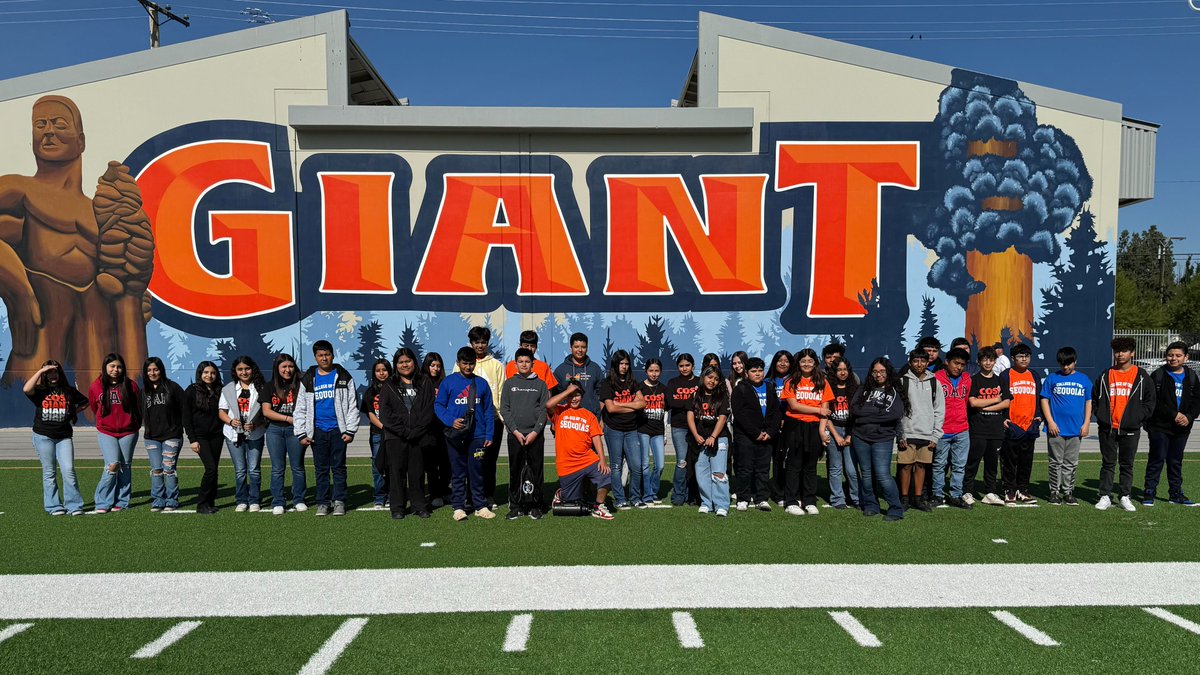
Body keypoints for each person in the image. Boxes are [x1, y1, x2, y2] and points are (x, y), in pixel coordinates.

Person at [294, 340, 359, 517]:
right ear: (315, 357)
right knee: (321, 468)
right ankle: (323, 502)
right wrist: (301, 432)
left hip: (339, 430)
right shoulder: (308, 378)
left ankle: (339, 502)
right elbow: (300, 407)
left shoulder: (344, 376)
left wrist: (350, 430)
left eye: (327, 354)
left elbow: (352, 405)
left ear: (333, 354)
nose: (324, 358)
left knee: (338, 468)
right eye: (320, 355)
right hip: (317, 431)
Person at [1092, 337, 1155, 512]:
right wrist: (1101, 416)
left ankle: (1125, 496)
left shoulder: (1141, 376)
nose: (1120, 354)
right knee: (1108, 463)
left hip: (1131, 428)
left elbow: (1150, 401)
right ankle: (1105, 495)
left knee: (1127, 464)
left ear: (1132, 353)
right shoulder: (1106, 374)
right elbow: (1095, 397)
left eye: (1124, 351)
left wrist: (1138, 417)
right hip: (1108, 427)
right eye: (1117, 351)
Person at [436, 347, 496, 521]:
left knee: (477, 471)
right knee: (458, 472)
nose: (468, 367)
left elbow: (488, 411)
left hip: (477, 435)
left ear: (475, 363)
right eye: (465, 363)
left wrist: (489, 435)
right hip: (455, 435)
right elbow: (439, 406)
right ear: (458, 363)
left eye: (471, 363)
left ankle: (480, 505)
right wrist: (450, 420)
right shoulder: (448, 382)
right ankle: (458, 507)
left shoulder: (482, 383)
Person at [25, 359, 88, 516]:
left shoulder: (68, 391)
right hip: (43, 436)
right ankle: (54, 506)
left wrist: (73, 412)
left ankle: (74, 506)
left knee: (68, 470)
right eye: (49, 372)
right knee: (49, 472)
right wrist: (41, 371)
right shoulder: (40, 390)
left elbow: (85, 402)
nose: (53, 375)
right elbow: (26, 389)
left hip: (64, 437)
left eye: (56, 371)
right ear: (45, 375)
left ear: (60, 373)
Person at [378, 347, 434, 520]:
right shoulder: (389, 385)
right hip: (396, 437)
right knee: (396, 473)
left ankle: (419, 505)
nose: (404, 365)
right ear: (396, 365)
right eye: (401, 362)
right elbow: (385, 413)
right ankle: (397, 507)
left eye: (407, 361)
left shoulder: (424, 382)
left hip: (418, 437)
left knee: (417, 472)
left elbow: (429, 409)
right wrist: (403, 431)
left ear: (414, 362)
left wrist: (416, 431)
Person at [1143, 341, 1200, 506]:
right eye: (1170, 355)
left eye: (1178, 355)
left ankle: (1175, 494)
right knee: (1157, 458)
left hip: (1182, 427)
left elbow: (1197, 400)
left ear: (1186, 357)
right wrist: (1174, 414)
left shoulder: (1192, 376)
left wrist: (1189, 417)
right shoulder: (1158, 375)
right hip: (1160, 426)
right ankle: (1149, 493)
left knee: (1176, 460)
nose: (1173, 358)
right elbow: (1154, 401)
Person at [850, 358, 908, 521]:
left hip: (883, 438)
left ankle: (896, 509)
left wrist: (867, 416)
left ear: (888, 372)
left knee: (883, 475)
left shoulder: (895, 391)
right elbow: (854, 410)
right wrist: (877, 415)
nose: (878, 374)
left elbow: (894, 414)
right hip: (860, 436)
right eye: (875, 371)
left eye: (882, 371)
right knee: (866, 474)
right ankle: (871, 505)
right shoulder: (863, 389)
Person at [546, 383, 614, 520]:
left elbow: (596, 439)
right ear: (566, 397)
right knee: (572, 501)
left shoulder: (589, 415)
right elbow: (548, 405)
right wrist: (568, 391)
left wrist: (602, 460)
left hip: (587, 459)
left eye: (576, 395)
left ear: (582, 396)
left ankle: (598, 507)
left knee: (607, 476)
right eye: (571, 396)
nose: (574, 399)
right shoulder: (559, 411)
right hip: (567, 465)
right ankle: (561, 494)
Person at [457, 325, 506, 509]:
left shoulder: (496, 365)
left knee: (489, 461)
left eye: (483, 342)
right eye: (476, 342)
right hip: (468, 422)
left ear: (487, 343)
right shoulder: (461, 363)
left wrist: (500, 418)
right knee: (470, 459)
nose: (480, 345)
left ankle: (489, 495)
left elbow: (500, 392)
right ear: (471, 343)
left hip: (491, 421)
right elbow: (456, 390)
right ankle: (470, 496)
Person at [780, 348, 833, 516]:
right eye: (803, 361)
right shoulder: (791, 381)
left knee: (810, 466)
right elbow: (794, 406)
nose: (806, 364)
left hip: (814, 427)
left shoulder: (822, 381)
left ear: (815, 363)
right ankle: (792, 501)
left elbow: (826, 409)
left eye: (810, 361)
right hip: (795, 426)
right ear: (798, 363)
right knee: (794, 465)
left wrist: (822, 431)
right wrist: (817, 410)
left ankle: (809, 500)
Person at [87, 353, 141, 514]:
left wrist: (133, 424)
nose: (115, 369)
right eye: (112, 366)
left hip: (128, 432)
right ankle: (102, 501)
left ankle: (122, 501)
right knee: (112, 464)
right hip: (107, 432)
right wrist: (105, 422)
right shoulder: (96, 386)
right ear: (105, 367)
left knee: (125, 466)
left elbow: (137, 407)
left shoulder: (131, 385)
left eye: (119, 367)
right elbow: (94, 406)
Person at [500, 348, 549, 519]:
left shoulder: (541, 384)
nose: (524, 364)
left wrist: (535, 432)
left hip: (535, 436)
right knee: (515, 469)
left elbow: (544, 411)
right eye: (520, 361)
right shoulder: (509, 384)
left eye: (527, 362)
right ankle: (516, 505)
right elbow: (504, 410)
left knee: (536, 470)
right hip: (516, 436)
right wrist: (515, 431)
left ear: (532, 364)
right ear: (515, 364)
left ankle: (536, 505)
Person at [1040, 346, 1092, 506]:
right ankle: (1054, 492)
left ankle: (1068, 492)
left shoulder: (1084, 380)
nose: (1065, 367)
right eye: (1062, 364)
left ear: (1075, 361)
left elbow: (1088, 401)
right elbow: (1044, 400)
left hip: (1076, 429)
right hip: (1056, 429)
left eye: (1068, 363)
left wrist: (1086, 423)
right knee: (1055, 462)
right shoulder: (1052, 379)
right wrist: (1050, 421)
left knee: (1070, 462)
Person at [731, 357, 781, 511]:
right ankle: (743, 498)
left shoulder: (769, 387)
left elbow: (776, 412)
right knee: (745, 468)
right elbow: (739, 414)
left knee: (763, 469)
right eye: (753, 371)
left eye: (760, 370)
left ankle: (761, 498)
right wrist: (755, 433)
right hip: (746, 436)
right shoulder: (741, 388)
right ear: (746, 373)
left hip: (766, 436)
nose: (758, 374)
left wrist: (770, 432)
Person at [599, 349, 647, 508]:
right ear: (615, 364)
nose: (624, 367)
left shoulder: (633, 382)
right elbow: (610, 409)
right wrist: (632, 406)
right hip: (614, 429)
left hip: (631, 429)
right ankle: (620, 499)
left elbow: (643, 403)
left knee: (636, 465)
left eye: (627, 364)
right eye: (621, 363)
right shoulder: (607, 383)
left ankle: (635, 497)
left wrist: (621, 404)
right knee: (616, 466)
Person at [220, 355, 267, 513]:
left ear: (252, 369)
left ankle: (254, 500)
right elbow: (222, 412)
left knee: (254, 469)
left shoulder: (261, 388)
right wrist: (230, 421)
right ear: (235, 371)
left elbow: (266, 413)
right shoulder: (228, 389)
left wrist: (256, 424)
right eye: (240, 369)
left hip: (255, 434)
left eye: (247, 368)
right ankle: (241, 499)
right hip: (233, 434)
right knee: (240, 470)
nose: (244, 372)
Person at [965, 347, 1011, 506]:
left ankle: (990, 492)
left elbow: (1006, 402)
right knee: (972, 462)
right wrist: (995, 400)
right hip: (977, 428)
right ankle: (967, 491)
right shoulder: (974, 380)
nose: (988, 363)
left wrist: (986, 407)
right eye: (984, 359)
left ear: (995, 361)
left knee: (992, 464)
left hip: (996, 429)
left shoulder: (1000, 380)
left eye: (991, 360)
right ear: (979, 361)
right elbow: (973, 402)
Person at [899, 349, 943, 512]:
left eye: (923, 361)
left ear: (928, 363)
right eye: (916, 361)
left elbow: (939, 409)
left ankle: (918, 499)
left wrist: (936, 434)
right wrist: (900, 434)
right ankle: (904, 498)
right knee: (905, 466)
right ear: (910, 363)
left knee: (922, 466)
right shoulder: (903, 381)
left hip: (927, 432)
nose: (920, 364)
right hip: (907, 432)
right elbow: (898, 410)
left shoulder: (934, 382)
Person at [261, 353, 306, 515]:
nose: (288, 370)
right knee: (277, 468)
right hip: (274, 430)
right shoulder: (269, 386)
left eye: (290, 366)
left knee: (298, 467)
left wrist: (297, 422)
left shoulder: (302, 385)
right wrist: (288, 418)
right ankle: (278, 501)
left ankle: (299, 499)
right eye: (284, 367)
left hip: (296, 430)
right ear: (277, 369)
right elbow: (266, 411)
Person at [141, 356, 185, 512]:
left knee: (169, 468)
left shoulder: (172, 387)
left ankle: (172, 499)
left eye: (155, 369)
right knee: (156, 470)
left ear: (161, 370)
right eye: (149, 370)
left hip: (171, 435)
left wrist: (180, 427)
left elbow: (184, 408)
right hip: (151, 437)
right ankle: (158, 499)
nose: (152, 373)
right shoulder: (144, 390)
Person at [688, 365, 732, 516]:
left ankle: (722, 505)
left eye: (716, 378)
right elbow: (690, 416)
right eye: (709, 377)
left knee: (719, 473)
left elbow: (722, 418)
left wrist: (713, 436)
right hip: (700, 440)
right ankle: (707, 503)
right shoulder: (695, 395)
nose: (712, 381)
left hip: (719, 438)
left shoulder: (722, 397)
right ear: (703, 377)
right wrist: (696, 435)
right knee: (701, 473)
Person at [933, 348, 973, 509]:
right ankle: (937, 494)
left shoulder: (967, 379)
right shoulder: (936, 378)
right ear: (947, 362)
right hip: (942, 429)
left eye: (962, 364)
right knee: (939, 464)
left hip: (962, 429)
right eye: (956, 363)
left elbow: (966, 401)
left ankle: (956, 495)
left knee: (959, 465)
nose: (959, 367)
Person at [1001, 343, 1041, 505]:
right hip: (1012, 425)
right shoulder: (1005, 375)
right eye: (1020, 356)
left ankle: (1023, 489)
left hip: (1029, 425)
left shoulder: (1034, 375)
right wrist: (1003, 417)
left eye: (1027, 356)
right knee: (1009, 461)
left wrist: (1038, 416)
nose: (1024, 359)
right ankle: (1009, 490)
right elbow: (1002, 398)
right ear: (1013, 358)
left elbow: (1039, 398)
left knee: (1026, 461)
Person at [183, 361, 223, 514]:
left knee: (215, 469)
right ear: (200, 374)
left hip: (217, 435)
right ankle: (201, 504)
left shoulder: (220, 390)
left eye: (212, 373)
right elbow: (186, 418)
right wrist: (192, 440)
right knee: (210, 469)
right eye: (206, 372)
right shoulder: (191, 391)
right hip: (200, 437)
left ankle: (210, 502)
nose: (209, 376)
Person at [824, 356, 860, 510]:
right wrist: (836, 435)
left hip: (851, 430)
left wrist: (850, 435)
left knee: (852, 469)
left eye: (845, 370)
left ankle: (857, 498)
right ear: (834, 372)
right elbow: (826, 415)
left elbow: (858, 414)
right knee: (835, 467)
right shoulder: (828, 388)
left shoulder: (856, 388)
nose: (842, 373)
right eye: (839, 370)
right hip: (834, 430)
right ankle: (837, 499)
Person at [666, 353, 700, 506]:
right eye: (681, 366)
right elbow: (671, 402)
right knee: (681, 461)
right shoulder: (673, 382)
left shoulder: (700, 381)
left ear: (693, 366)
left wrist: (683, 402)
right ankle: (678, 495)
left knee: (695, 461)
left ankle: (693, 495)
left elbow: (702, 402)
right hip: (679, 426)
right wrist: (691, 401)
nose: (684, 368)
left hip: (698, 427)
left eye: (687, 365)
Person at [360, 358, 393, 510]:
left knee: (394, 465)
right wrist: (382, 426)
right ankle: (380, 497)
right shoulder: (370, 391)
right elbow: (370, 414)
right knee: (378, 466)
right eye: (378, 370)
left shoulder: (396, 388)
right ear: (374, 373)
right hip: (377, 434)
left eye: (384, 370)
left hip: (395, 434)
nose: (381, 373)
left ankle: (394, 495)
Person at [420, 353, 451, 507]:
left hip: (443, 429)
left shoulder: (444, 383)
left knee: (446, 463)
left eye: (438, 366)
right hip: (427, 430)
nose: (436, 369)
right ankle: (435, 494)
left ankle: (445, 490)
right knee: (431, 465)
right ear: (427, 365)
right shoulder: (421, 383)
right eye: (433, 365)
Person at [638, 359, 668, 505]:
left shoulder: (664, 388)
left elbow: (666, 412)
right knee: (645, 465)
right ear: (646, 371)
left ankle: (653, 491)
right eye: (651, 370)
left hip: (658, 431)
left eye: (656, 371)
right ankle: (647, 494)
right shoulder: (640, 387)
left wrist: (665, 434)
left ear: (660, 372)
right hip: (643, 429)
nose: (654, 374)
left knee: (660, 465)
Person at [553, 332, 604, 417]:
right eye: (576, 347)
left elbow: (602, 394)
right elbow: (555, 397)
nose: (580, 350)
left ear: (587, 348)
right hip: (568, 418)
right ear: (571, 348)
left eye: (583, 347)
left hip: (591, 417)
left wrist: (598, 414)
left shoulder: (595, 368)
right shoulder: (561, 370)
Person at [767, 350, 792, 504]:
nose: (783, 363)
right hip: (773, 427)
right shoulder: (768, 381)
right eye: (779, 360)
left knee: (791, 461)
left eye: (786, 361)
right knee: (776, 460)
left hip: (792, 425)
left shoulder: (795, 380)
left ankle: (792, 491)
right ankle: (778, 493)